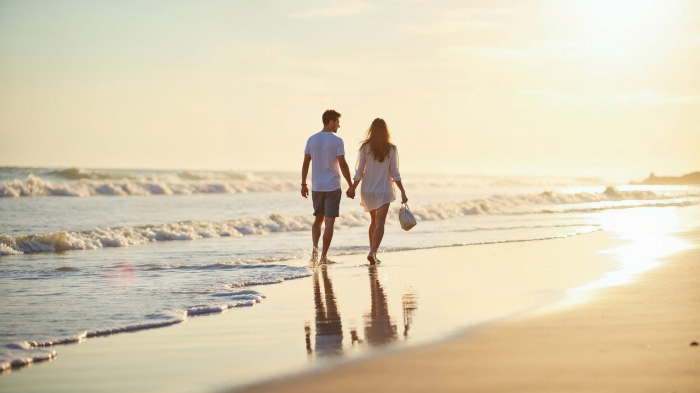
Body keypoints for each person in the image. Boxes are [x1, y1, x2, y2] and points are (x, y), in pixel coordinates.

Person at [347, 118, 408, 264]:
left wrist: (353, 188)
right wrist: (403, 191)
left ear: (371, 131)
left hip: (368, 190)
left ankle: (372, 252)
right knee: (380, 222)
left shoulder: (365, 148)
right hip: (384, 190)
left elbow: (359, 171)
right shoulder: (391, 149)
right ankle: (373, 252)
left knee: (374, 221)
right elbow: (395, 173)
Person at [301, 109, 353, 265]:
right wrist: (351, 184)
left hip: (317, 186)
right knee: (329, 222)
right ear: (331, 122)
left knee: (318, 219)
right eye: (337, 122)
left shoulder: (312, 139)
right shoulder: (337, 141)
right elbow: (343, 164)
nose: (338, 125)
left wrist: (304, 184)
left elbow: (305, 162)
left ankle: (314, 254)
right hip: (332, 186)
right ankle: (323, 257)